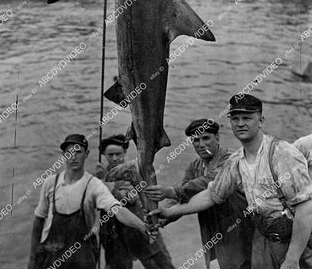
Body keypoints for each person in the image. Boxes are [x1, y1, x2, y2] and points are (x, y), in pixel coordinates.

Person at [151, 95, 312, 269]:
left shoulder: (283, 153)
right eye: (235, 118)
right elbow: (212, 195)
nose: (240, 123)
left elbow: (305, 209)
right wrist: (169, 212)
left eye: (247, 118)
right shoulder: (236, 161)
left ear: (261, 121)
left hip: (294, 241)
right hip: (262, 237)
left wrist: (292, 258)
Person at [27, 134, 148, 269]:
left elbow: (118, 210)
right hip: (52, 253)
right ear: (63, 154)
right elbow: (39, 221)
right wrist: (33, 258)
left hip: (82, 257)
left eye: (78, 152)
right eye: (69, 152)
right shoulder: (50, 183)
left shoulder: (94, 185)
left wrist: (143, 227)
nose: (73, 157)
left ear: (87, 154)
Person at [145, 119, 253, 269]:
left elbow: (210, 180)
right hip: (211, 230)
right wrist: (164, 218)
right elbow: (182, 199)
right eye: (195, 140)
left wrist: (171, 191)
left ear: (217, 137)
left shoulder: (231, 158)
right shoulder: (195, 166)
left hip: (239, 228)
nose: (201, 144)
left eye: (206, 138)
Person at [95, 134, 175, 269]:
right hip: (113, 233)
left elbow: (129, 198)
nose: (115, 158)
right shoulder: (99, 174)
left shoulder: (134, 170)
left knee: (160, 265)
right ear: (103, 155)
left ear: (125, 152)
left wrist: (106, 183)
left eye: (118, 154)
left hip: (139, 226)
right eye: (110, 155)